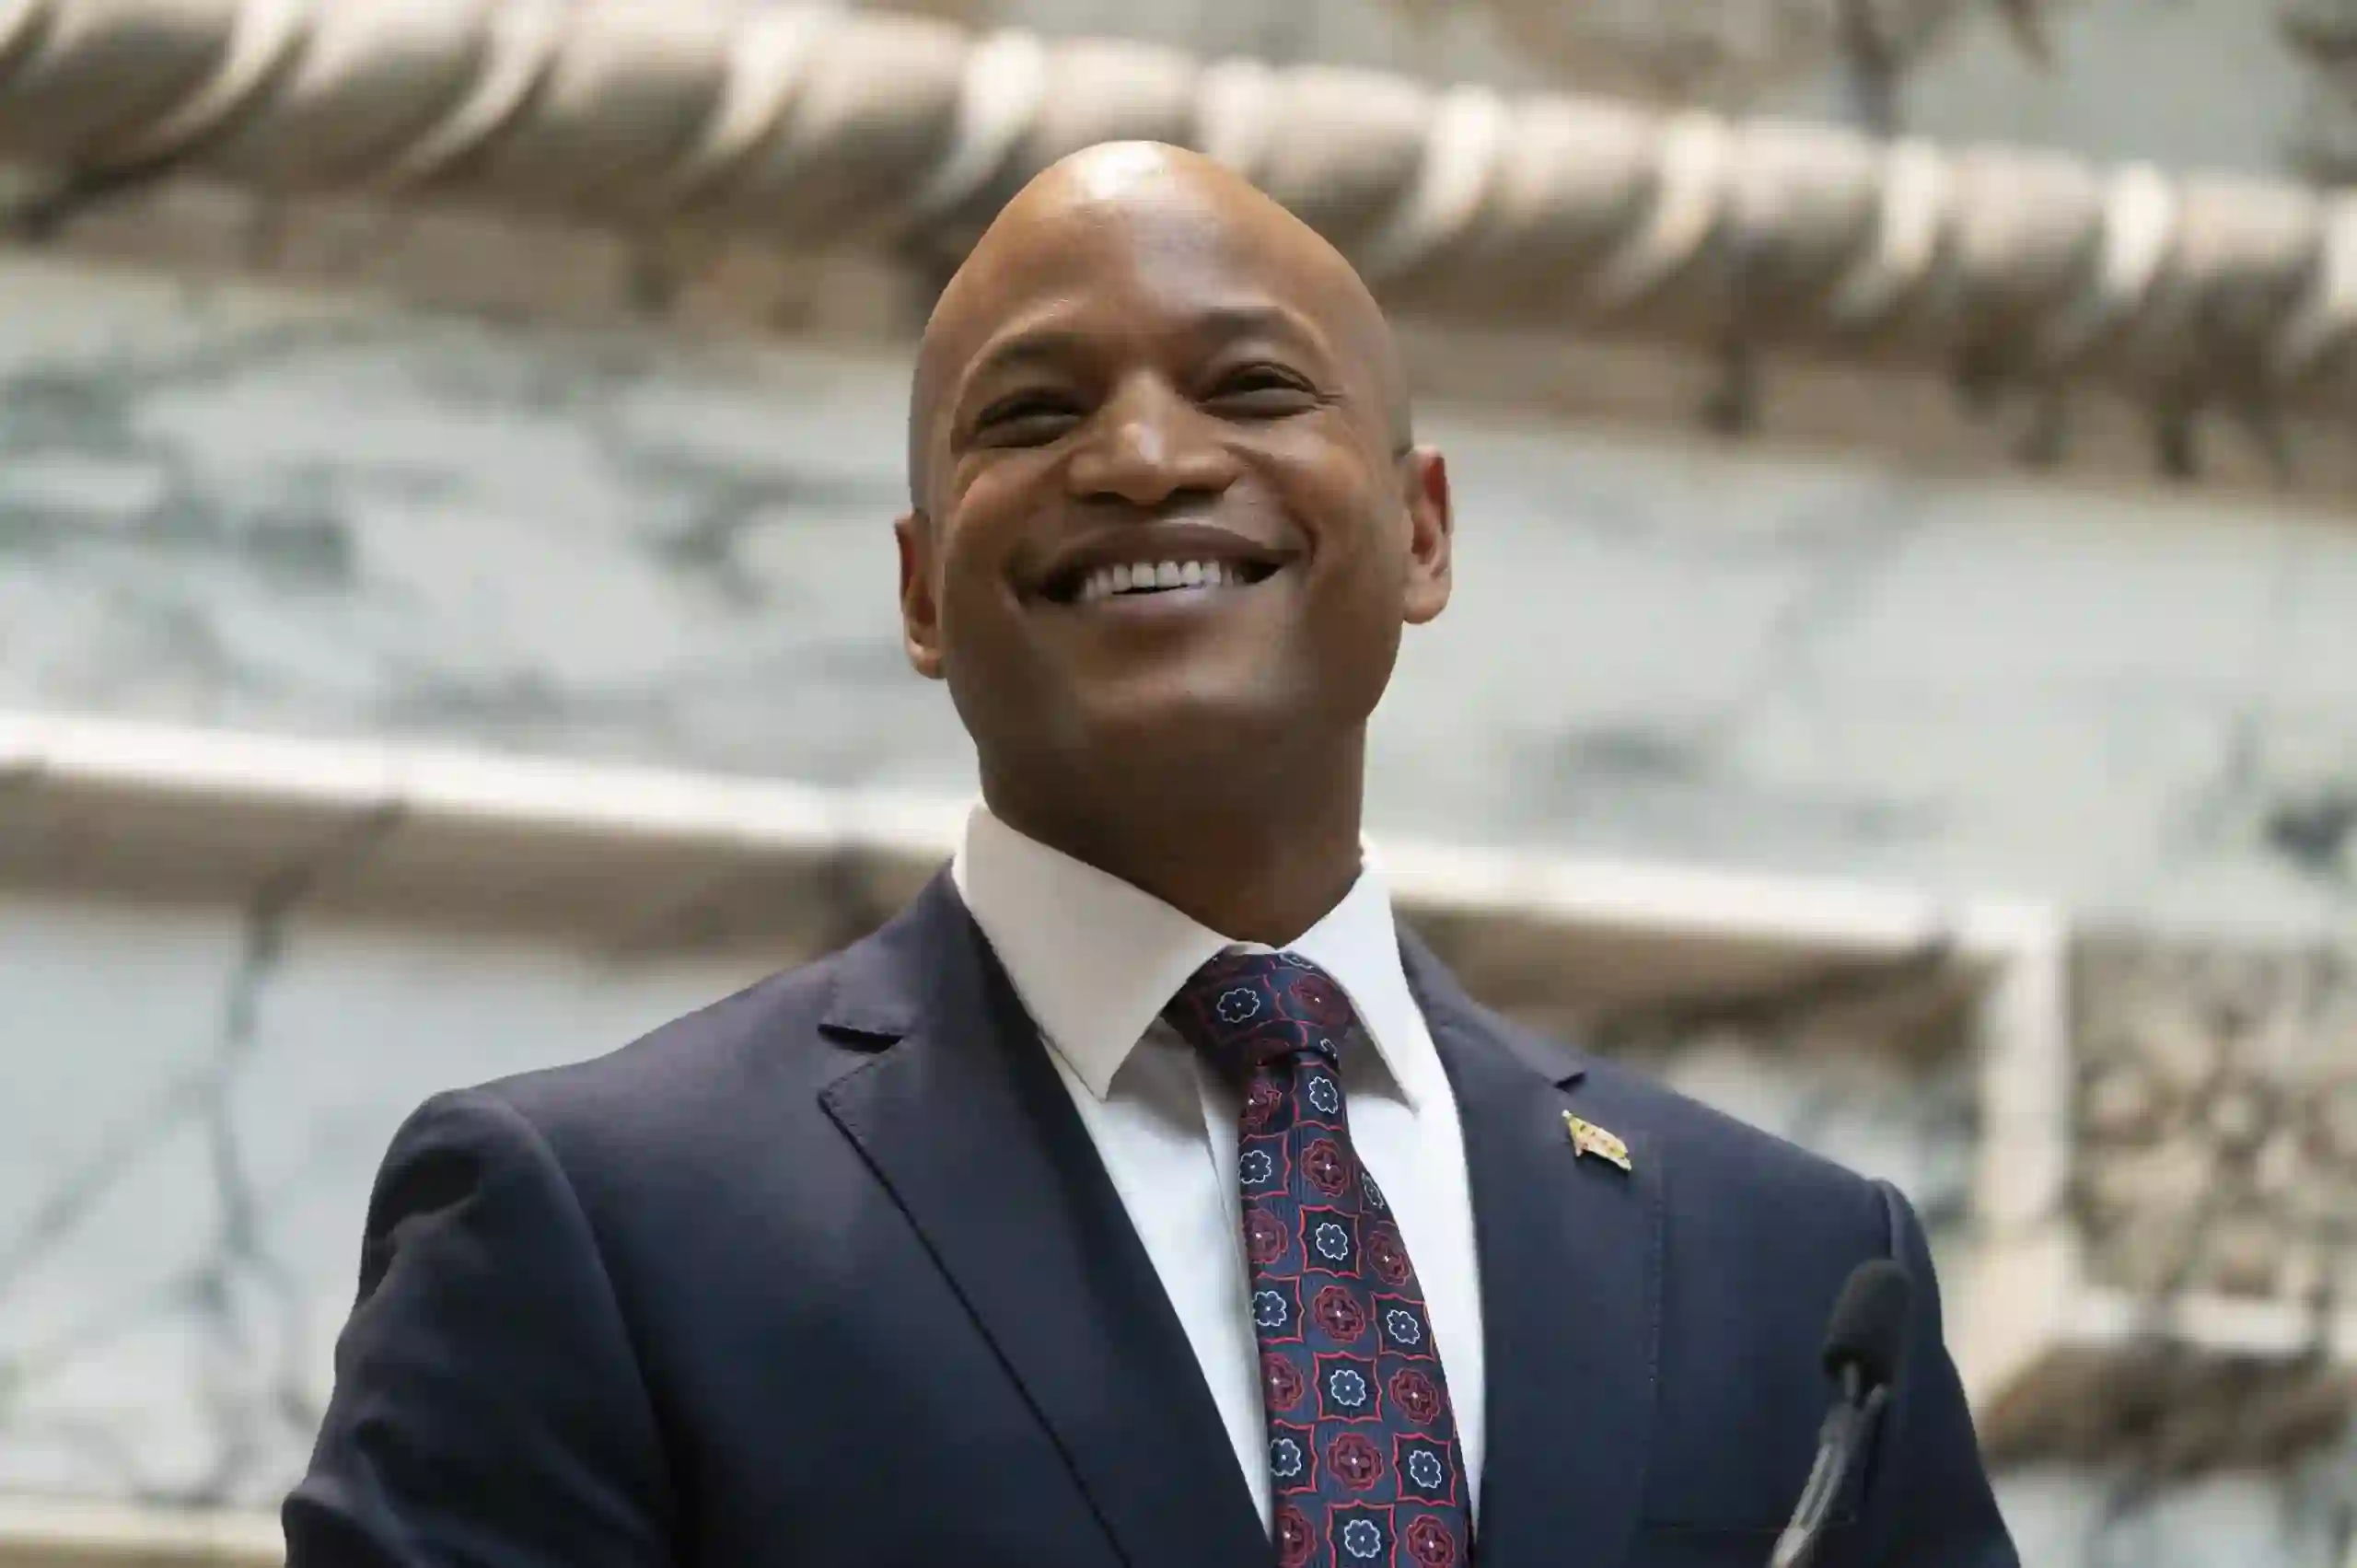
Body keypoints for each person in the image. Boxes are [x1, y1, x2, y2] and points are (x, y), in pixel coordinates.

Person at [286, 141, 2017, 1567]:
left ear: (1420, 531)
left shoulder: (1790, 1275)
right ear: (917, 590)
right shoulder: (597, 1222)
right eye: (1032, 417)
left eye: (1251, 385)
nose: (1142, 458)